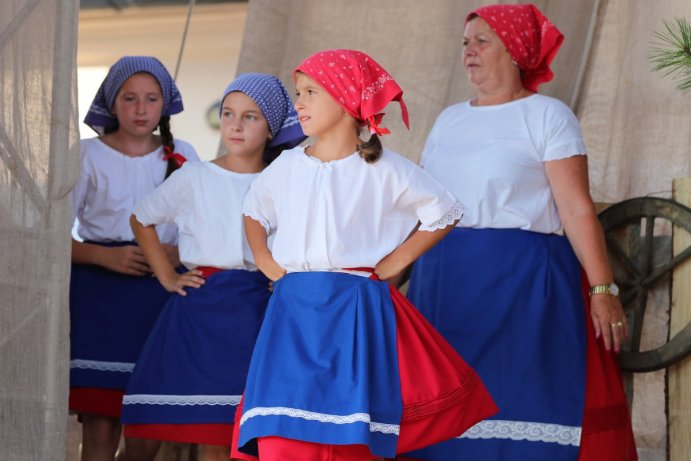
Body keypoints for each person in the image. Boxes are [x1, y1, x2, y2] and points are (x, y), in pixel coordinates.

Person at [231, 49, 498, 461]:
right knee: (282, 431)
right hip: (293, 311)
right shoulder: (286, 165)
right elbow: (254, 210)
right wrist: (265, 258)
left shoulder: (386, 168)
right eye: (297, 92)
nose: (298, 102)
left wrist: (395, 261)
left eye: (310, 92)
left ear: (344, 99)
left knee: (347, 433)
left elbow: (445, 211)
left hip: (353, 310)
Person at [403, 4, 638, 461]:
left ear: (514, 51)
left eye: (482, 41)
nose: (469, 52)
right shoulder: (449, 119)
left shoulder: (548, 116)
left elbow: (575, 207)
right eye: (465, 43)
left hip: (523, 284)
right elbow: (426, 207)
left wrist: (602, 288)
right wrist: (388, 271)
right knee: (448, 417)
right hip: (445, 285)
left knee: (523, 404)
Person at [119, 73, 307, 461]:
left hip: (255, 313)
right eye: (228, 113)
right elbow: (142, 218)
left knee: (226, 435)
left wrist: (281, 277)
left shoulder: (285, 181)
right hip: (199, 308)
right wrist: (167, 275)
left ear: (271, 126)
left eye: (250, 117)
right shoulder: (195, 176)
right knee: (149, 437)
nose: (235, 125)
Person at [69, 56, 199, 461]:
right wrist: (102, 257)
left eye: (151, 98)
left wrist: (178, 252)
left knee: (147, 430)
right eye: (129, 98)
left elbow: (205, 225)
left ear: (166, 104)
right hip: (99, 294)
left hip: (162, 294)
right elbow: (48, 239)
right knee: (101, 425)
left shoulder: (184, 155)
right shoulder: (86, 155)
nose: (141, 110)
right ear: (111, 102)